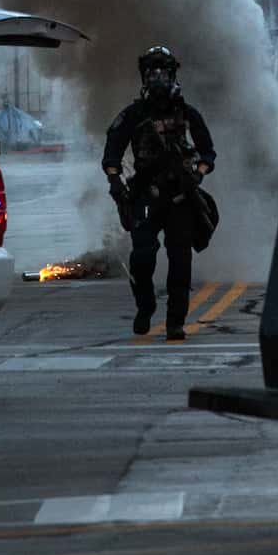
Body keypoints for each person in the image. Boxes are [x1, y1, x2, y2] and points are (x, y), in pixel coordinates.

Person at [103, 45, 216, 340]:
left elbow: (208, 153)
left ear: (172, 75)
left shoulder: (186, 113)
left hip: (179, 197)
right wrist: (116, 183)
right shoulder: (133, 115)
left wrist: (196, 176)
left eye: (162, 72)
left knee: (180, 260)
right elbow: (112, 152)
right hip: (145, 197)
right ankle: (145, 306)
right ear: (143, 77)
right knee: (142, 256)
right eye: (151, 72)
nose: (157, 78)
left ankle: (175, 321)